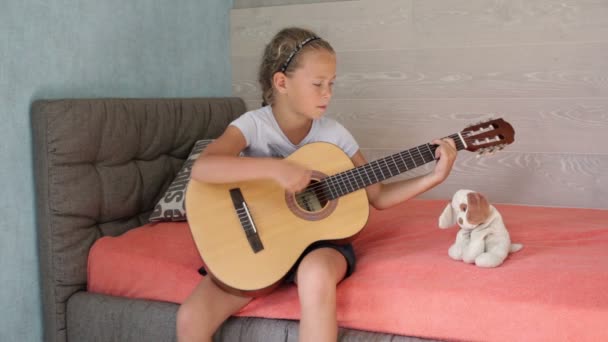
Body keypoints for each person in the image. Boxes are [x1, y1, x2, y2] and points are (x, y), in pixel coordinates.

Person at [177, 27, 457, 342]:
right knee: (190, 317)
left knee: (316, 274)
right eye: (317, 84)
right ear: (281, 82)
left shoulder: (335, 136)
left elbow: (377, 196)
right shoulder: (253, 126)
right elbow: (204, 168)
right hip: (262, 247)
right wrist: (275, 169)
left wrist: (434, 177)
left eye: (331, 84)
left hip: (320, 245)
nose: (328, 93)